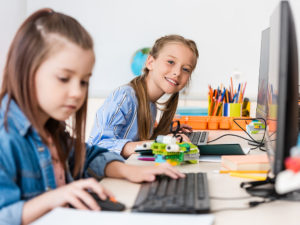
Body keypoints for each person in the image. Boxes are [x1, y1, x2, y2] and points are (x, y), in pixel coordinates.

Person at [0, 9, 184, 225]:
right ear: (27, 70)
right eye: (63, 78)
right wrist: (53, 199)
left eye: (84, 81)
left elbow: (87, 154)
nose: (78, 92)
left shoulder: (51, 129)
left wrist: (129, 172)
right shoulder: (6, 137)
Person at [89, 34, 199, 158]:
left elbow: (138, 139)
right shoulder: (125, 96)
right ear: (150, 62)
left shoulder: (151, 105)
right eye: (170, 62)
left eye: (186, 69)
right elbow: (98, 145)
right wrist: (163, 144)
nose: (177, 72)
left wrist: (168, 132)